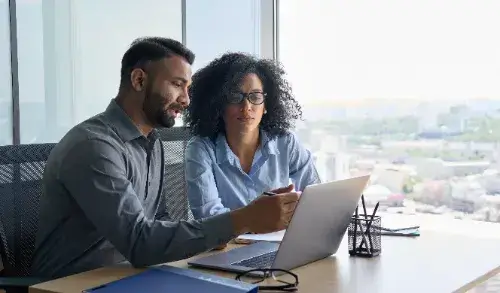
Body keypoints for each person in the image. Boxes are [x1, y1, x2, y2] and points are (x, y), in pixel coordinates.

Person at [30, 37, 300, 279]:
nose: (185, 99)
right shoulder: (94, 146)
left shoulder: (152, 142)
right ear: (138, 80)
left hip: (134, 276)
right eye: (177, 85)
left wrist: (215, 234)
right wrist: (243, 219)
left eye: (188, 88)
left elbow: (159, 221)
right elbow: (140, 242)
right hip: (74, 284)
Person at [183, 52, 320, 221]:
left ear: (266, 105)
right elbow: (208, 218)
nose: (246, 106)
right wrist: (258, 217)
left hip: (280, 242)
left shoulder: (286, 142)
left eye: (255, 97)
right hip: (228, 246)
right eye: (235, 96)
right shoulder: (200, 149)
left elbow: (315, 197)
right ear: (218, 104)